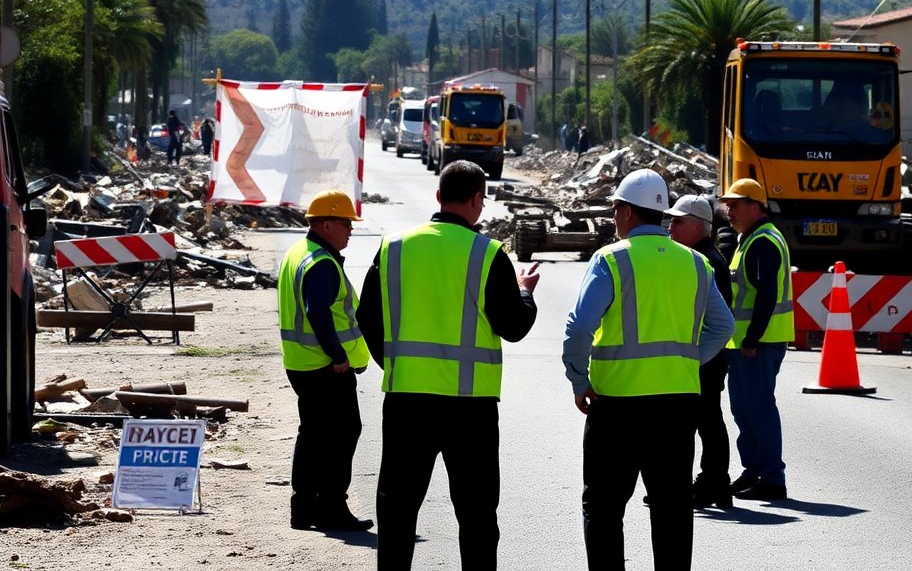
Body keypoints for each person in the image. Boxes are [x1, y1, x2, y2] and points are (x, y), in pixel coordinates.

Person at [357, 160, 541, 571]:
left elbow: (367, 317)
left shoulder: (394, 247)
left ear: (438, 196)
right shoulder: (489, 254)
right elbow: (513, 327)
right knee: (476, 516)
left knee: (398, 511)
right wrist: (524, 292)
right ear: (479, 200)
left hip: (408, 400)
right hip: (470, 407)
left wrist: (394, 364)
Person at [562, 169, 735, 571]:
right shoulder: (695, 263)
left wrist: (578, 379)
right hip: (676, 406)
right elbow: (723, 327)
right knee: (672, 508)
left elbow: (579, 327)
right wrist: (687, 362)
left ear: (624, 212)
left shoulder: (611, 258)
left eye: (614, 210)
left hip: (616, 406)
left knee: (603, 508)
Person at [277, 189, 374, 532]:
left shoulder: (299, 252)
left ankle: (304, 510)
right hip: (324, 365)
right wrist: (338, 356)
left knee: (314, 434)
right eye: (347, 223)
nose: (350, 230)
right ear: (327, 224)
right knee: (343, 433)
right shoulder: (321, 262)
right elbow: (318, 312)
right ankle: (332, 507)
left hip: (302, 362)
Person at [718, 178, 793, 502]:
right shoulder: (749, 239)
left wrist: (751, 338)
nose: (728, 211)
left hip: (758, 344)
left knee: (758, 409)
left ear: (755, 205)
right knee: (744, 409)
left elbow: (766, 296)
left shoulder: (762, 242)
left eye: (735, 205)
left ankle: (772, 477)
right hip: (748, 343)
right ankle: (754, 470)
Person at [664, 194, 735, 509]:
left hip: (703, 357)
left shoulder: (705, 261)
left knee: (700, 423)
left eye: (678, 222)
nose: (670, 227)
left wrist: (694, 357)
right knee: (706, 422)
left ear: (698, 226)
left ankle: (711, 483)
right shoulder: (703, 256)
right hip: (705, 356)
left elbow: (716, 321)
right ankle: (713, 482)